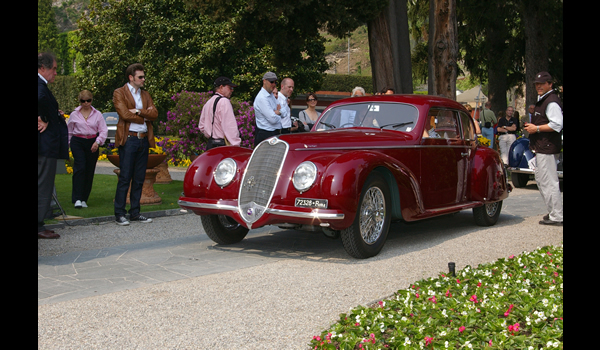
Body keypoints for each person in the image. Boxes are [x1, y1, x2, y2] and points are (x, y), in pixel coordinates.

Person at [113, 63, 158, 226]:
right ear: (131, 78)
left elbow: (154, 114)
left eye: (144, 76)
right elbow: (124, 114)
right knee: (125, 177)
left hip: (143, 139)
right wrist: (144, 117)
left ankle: (135, 212)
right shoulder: (119, 92)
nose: (143, 79)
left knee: (139, 178)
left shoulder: (145, 95)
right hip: (129, 139)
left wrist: (139, 112)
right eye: (140, 77)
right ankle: (119, 213)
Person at [523, 71, 563, 226]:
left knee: (549, 181)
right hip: (542, 146)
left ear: (550, 84)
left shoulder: (551, 101)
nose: (538, 87)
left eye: (542, 84)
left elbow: (557, 124)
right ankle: (554, 212)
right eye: (536, 84)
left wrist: (536, 128)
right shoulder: (545, 100)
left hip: (547, 146)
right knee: (542, 179)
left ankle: (557, 216)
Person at [38, 52, 68, 239]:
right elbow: (40, 99)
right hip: (44, 145)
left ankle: (40, 222)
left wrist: (53, 113)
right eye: (53, 69)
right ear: (43, 68)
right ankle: (39, 225)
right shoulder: (40, 85)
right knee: (43, 185)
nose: (55, 73)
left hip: (45, 145)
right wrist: (46, 118)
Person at [67, 90, 108, 208]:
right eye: (83, 101)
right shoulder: (74, 114)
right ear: (79, 101)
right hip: (77, 141)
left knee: (89, 170)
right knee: (80, 167)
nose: (86, 103)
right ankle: (77, 198)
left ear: (91, 100)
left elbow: (103, 130)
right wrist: (68, 146)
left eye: (88, 101)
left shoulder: (98, 114)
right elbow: (69, 131)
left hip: (92, 142)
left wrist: (97, 142)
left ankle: (84, 198)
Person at [199, 76, 242, 149]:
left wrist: (211, 133)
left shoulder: (208, 102)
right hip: (222, 146)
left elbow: (201, 126)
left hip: (210, 145)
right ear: (221, 87)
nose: (232, 90)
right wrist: (236, 145)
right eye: (230, 88)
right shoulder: (224, 102)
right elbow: (230, 127)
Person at [253, 72, 283, 147]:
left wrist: (277, 112)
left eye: (275, 82)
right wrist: (280, 113)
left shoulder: (271, 96)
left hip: (273, 133)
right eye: (271, 82)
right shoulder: (262, 98)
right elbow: (272, 119)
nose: (274, 84)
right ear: (264, 81)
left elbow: (284, 111)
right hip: (265, 134)